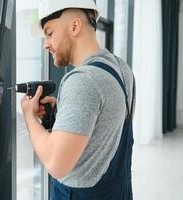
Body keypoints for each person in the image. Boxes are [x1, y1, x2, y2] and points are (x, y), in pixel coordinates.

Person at [20, 0, 135, 199]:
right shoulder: (122, 69)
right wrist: (63, 115)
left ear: (74, 26)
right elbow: (105, 133)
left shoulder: (82, 80)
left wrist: (29, 117)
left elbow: (56, 164)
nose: (46, 44)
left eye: (49, 33)